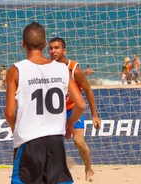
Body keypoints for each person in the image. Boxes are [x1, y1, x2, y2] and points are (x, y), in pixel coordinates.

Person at [5, 23, 85, 184]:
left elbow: (9, 113)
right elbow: (81, 105)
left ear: (22, 44)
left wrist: (16, 129)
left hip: (28, 141)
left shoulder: (16, 70)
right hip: (55, 140)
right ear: (44, 44)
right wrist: (69, 123)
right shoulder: (62, 69)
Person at [49, 37, 102, 182]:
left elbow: (88, 90)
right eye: (51, 48)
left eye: (57, 48)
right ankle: (59, 168)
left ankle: (88, 168)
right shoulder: (47, 67)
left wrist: (95, 115)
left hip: (73, 110)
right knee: (51, 143)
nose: (53, 51)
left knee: (78, 141)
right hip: (55, 111)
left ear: (64, 50)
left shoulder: (74, 69)